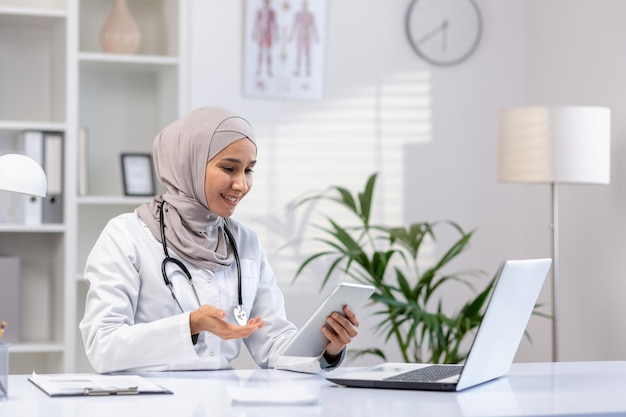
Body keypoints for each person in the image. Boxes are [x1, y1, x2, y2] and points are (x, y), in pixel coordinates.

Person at [79, 106, 360, 374]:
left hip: (221, 401)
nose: (241, 184)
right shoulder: (126, 235)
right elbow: (102, 345)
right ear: (189, 164)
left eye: (249, 170)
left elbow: (273, 344)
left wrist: (328, 348)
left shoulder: (245, 243)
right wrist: (189, 325)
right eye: (229, 168)